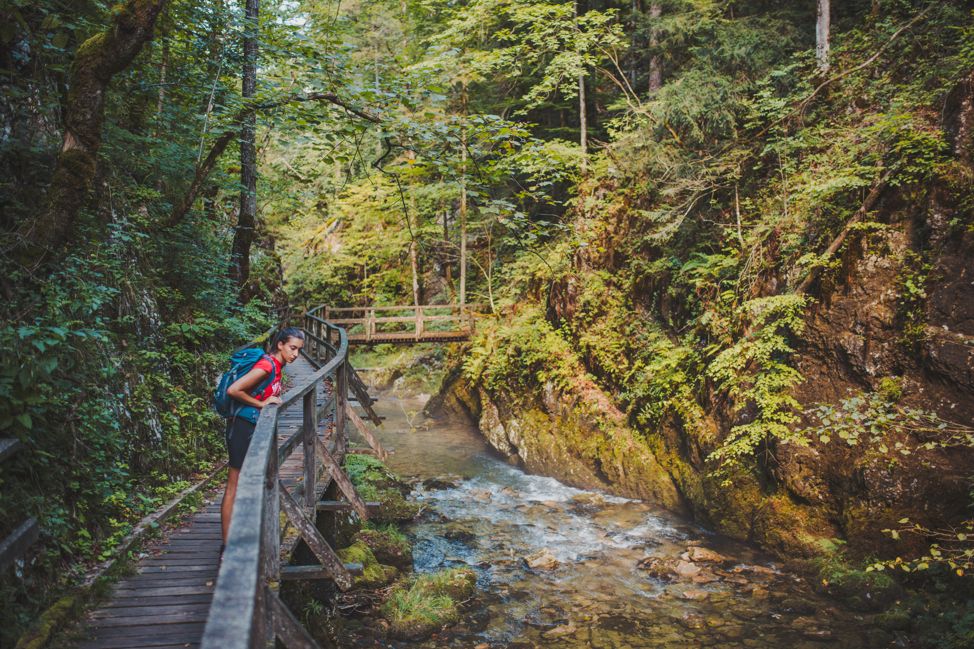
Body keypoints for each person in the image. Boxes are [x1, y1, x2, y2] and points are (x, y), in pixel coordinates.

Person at [220, 327, 305, 551]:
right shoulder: (267, 365)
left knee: (248, 482)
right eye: (292, 348)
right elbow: (234, 390)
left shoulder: (278, 366)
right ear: (280, 345)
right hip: (242, 427)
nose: (295, 354)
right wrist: (262, 404)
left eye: (299, 350)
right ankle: (228, 544)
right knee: (234, 485)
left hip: (252, 428)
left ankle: (243, 535)